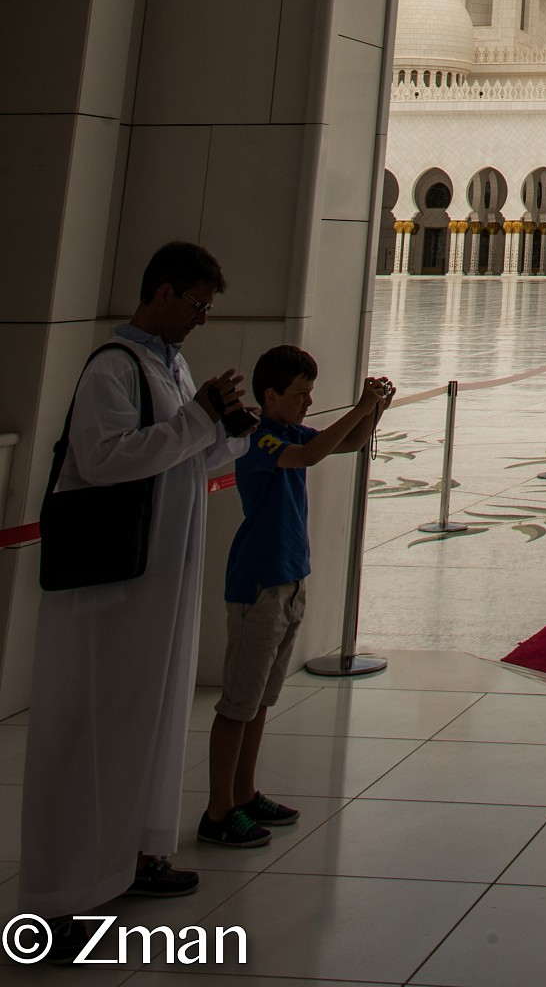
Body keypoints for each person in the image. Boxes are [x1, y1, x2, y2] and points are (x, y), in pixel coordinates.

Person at [20, 243, 254, 961]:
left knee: (149, 722)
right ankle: (57, 898)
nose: (201, 318)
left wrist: (227, 432)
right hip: (109, 591)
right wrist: (196, 420)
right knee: (89, 731)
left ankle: (133, 856)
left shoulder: (170, 365)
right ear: (162, 293)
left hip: (159, 581)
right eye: (196, 304)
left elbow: (180, 456)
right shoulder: (112, 368)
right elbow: (103, 459)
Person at [202, 347, 394, 848]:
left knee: (261, 699)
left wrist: (372, 410)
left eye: (311, 393)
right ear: (271, 396)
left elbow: (348, 444)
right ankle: (218, 810)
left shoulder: (289, 432)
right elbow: (310, 457)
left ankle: (245, 793)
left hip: (289, 578)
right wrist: (359, 407)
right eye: (300, 394)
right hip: (259, 582)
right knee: (238, 703)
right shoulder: (256, 436)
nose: (309, 402)